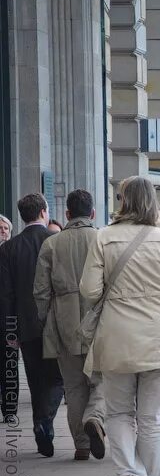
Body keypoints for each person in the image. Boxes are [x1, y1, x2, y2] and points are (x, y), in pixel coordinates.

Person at [80, 177, 160, 476]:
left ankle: (127, 473)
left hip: (117, 336)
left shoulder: (104, 237)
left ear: (123, 200)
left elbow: (88, 290)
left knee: (118, 413)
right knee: (153, 419)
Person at [33, 189, 105, 461]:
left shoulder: (51, 244)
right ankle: (95, 418)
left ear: (67, 214)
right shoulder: (102, 239)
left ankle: (82, 444)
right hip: (98, 319)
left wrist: (47, 319)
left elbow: (40, 291)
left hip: (63, 320)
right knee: (101, 379)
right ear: (93, 213)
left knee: (73, 386)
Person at [0, 193, 61, 454]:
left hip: (25, 324)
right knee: (58, 378)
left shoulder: (8, 248)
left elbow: (6, 294)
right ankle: (45, 421)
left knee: (36, 379)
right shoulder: (55, 242)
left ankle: (41, 424)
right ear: (44, 212)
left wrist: (9, 329)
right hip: (55, 322)